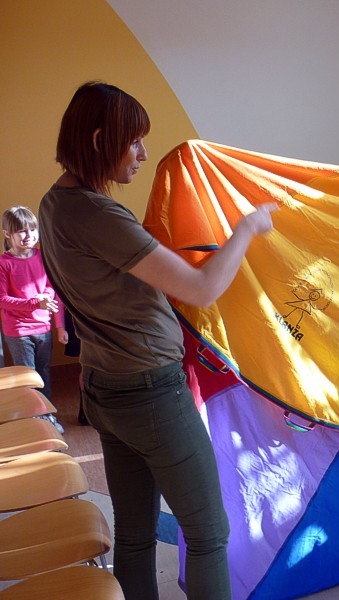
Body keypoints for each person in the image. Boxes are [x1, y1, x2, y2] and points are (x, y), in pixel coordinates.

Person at [38, 81, 281, 600]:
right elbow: (203, 288)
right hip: (149, 393)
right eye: (134, 142)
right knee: (209, 534)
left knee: (134, 534)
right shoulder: (99, 214)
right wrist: (246, 228)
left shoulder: (53, 204)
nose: (143, 154)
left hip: (103, 389)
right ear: (100, 140)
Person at [0, 205, 68, 434]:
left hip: (43, 327)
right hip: (18, 331)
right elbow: (2, 299)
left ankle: (46, 415)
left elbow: (52, 289)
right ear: (7, 234)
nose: (28, 235)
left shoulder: (42, 256)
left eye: (32, 229)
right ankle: (36, 420)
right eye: (21, 231)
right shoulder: (4, 263)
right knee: (29, 376)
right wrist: (34, 303)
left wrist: (59, 326)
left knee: (43, 372)